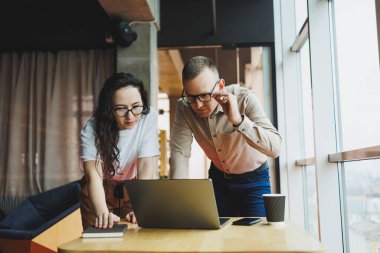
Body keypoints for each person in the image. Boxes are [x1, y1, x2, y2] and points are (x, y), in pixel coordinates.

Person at [170, 56, 282, 217]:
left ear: (220, 85)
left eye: (204, 95)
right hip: (218, 180)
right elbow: (179, 153)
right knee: (217, 237)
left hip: (255, 180)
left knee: (257, 238)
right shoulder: (184, 108)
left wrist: (238, 120)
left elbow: (276, 149)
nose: (198, 105)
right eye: (191, 97)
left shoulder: (245, 99)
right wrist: (177, 199)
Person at [80, 72, 159, 229]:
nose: (130, 116)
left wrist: (140, 207)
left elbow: (145, 165)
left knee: (135, 240)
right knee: (99, 242)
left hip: (133, 189)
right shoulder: (92, 128)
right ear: (109, 109)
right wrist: (103, 213)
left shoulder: (148, 117)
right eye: (121, 109)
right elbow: (94, 176)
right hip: (99, 190)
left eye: (136, 107)